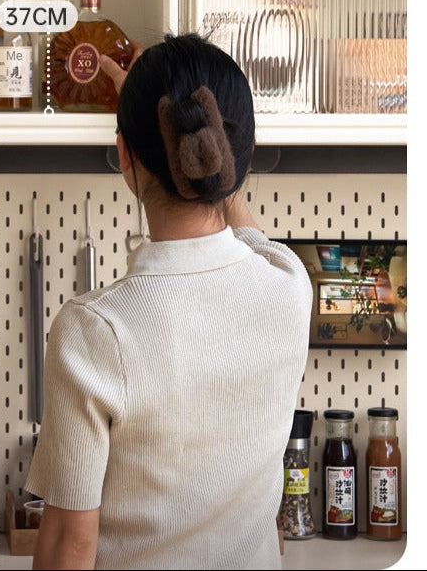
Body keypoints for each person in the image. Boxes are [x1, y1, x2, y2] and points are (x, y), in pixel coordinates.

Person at [25, 33, 312, 570]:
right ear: (239, 158)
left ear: (123, 156)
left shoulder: (93, 330)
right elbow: (253, 238)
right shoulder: (289, 287)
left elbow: (70, 543)